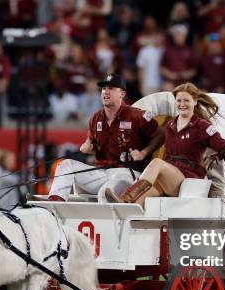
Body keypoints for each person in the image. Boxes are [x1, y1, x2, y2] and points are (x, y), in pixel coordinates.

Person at [106, 82, 225, 205]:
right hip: (168, 177)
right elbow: (155, 140)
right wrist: (141, 152)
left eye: (186, 100)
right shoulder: (170, 125)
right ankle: (126, 213)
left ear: (195, 102)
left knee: (157, 163)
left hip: (187, 176)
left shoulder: (202, 126)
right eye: (179, 101)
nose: (182, 104)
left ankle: (126, 197)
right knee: (140, 200)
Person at [31, 72, 164, 201]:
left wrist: (143, 153)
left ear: (122, 94)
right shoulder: (95, 118)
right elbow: (91, 143)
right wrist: (88, 146)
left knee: (106, 192)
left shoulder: (137, 116)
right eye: (104, 88)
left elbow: (160, 135)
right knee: (65, 164)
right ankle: (56, 200)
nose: (106, 92)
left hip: (128, 174)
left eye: (111, 88)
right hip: (101, 172)